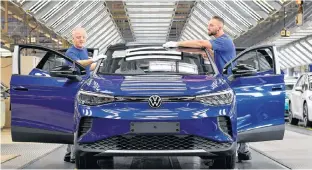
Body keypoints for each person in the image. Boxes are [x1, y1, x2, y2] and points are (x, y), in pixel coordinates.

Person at [162, 16, 251, 161]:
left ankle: (237, 147)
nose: (208, 27)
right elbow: (208, 52)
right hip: (222, 82)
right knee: (235, 114)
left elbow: (200, 43)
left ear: (219, 27)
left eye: (211, 25)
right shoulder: (219, 44)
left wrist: (176, 43)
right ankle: (242, 147)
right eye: (208, 25)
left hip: (227, 84)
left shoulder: (225, 40)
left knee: (232, 116)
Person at [63, 27, 106, 163]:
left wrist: (101, 64)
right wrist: (94, 59)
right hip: (73, 88)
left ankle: (69, 153)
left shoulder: (83, 50)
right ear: (73, 39)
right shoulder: (71, 51)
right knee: (75, 120)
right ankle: (73, 154)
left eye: (82, 37)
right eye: (78, 37)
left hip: (84, 88)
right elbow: (79, 64)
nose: (81, 39)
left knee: (79, 120)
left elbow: (89, 67)